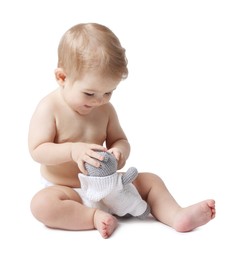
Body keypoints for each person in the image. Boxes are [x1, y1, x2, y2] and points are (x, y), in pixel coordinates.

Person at [28, 23, 216, 239]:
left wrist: (119, 153)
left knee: (151, 181)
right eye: (89, 93)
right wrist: (72, 151)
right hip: (69, 191)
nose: (100, 100)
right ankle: (91, 217)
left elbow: (120, 140)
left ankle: (176, 215)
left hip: (110, 186)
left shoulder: (105, 109)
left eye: (109, 92)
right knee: (41, 204)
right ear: (62, 78)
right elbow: (37, 150)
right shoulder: (49, 108)